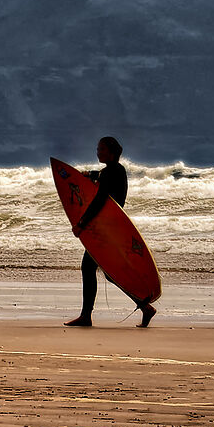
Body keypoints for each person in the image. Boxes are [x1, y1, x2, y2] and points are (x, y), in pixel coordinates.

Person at [65, 135, 153, 329]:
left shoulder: (109, 173)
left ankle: (86, 316)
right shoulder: (118, 171)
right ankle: (144, 307)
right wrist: (89, 174)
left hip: (104, 229)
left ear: (111, 152)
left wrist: (81, 224)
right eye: (98, 149)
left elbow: (99, 201)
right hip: (113, 227)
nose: (98, 152)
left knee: (89, 268)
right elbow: (102, 177)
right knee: (109, 273)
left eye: (102, 149)